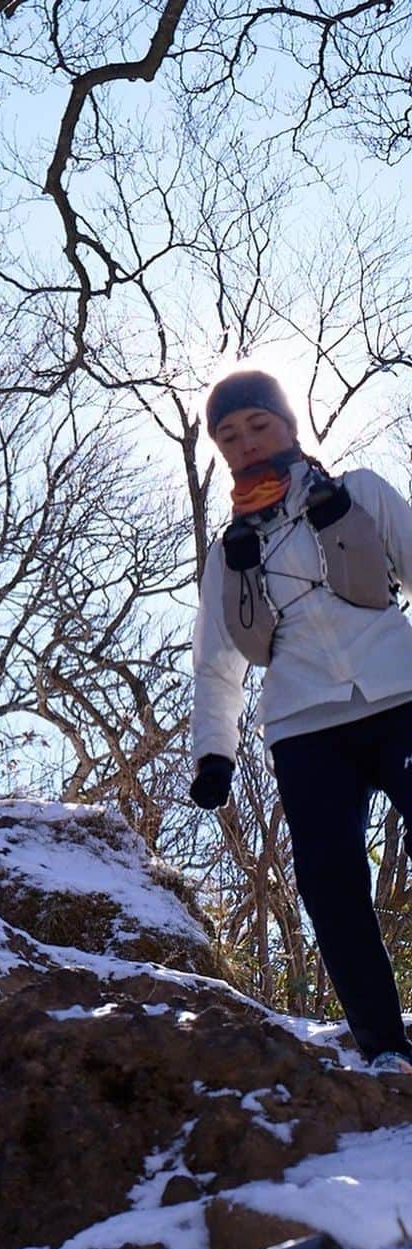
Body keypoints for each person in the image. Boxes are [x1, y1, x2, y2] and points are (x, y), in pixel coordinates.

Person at [190, 368, 412, 1075]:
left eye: (257, 426)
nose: (247, 444)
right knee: (327, 882)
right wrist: (212, 756)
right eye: (229, 436)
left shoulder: (362, 493)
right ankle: (385, 1051)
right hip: (302, 728)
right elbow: (216, 662)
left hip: (400, 695)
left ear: (287, 426)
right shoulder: (228, 554)